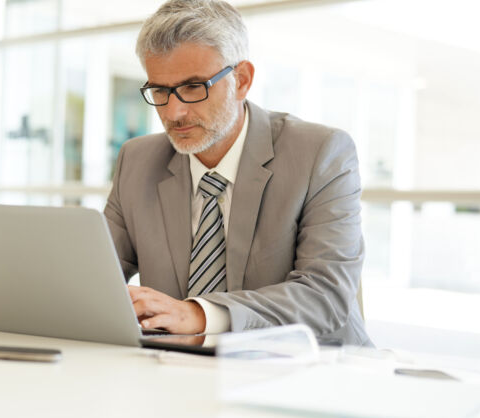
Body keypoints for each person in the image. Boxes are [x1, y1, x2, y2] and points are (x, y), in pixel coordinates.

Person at [104, 0, 372, 346]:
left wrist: (200, 314)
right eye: (160, 90)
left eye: (193, 87)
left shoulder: (320, 153)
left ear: (241, 80)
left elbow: (325, 295)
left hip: (313, 364)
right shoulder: (137, 160)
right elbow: (94, 277)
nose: (174, 112)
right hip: (176, 367)